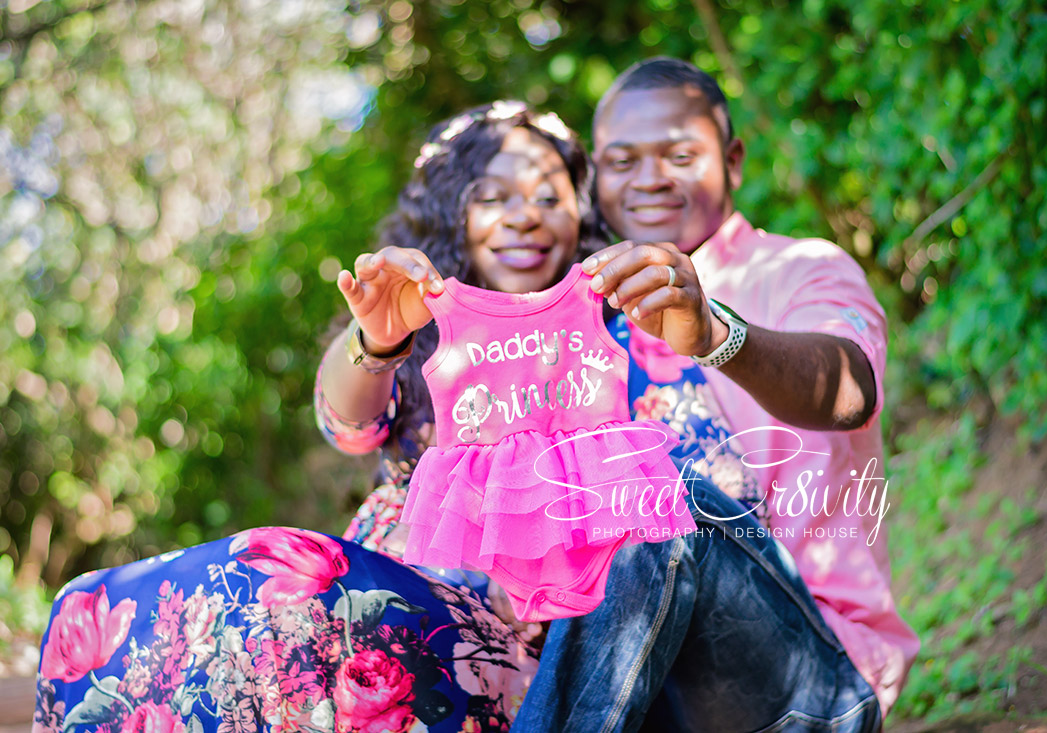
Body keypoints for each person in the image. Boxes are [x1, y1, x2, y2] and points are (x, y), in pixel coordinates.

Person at [31, 101, 607, 733]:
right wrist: (378, 339)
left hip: (508, 645)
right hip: (384, 594)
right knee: (101, 601)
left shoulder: (616, 336)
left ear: (582, 214)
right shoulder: (417, 316)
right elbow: (347, 425)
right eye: (492, 198)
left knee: (285, 581)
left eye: (549, 198)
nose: (524, 217)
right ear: (453, 212)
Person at [509, 58, 920, 731]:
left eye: (678, 155)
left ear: (732, 161)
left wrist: (715, 334)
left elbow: (849, 389)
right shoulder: (585, 331)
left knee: (659, 499)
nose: (649, 178)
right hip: (648, 692)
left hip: (811, 680)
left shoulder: (801, 268)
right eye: (622, 161)